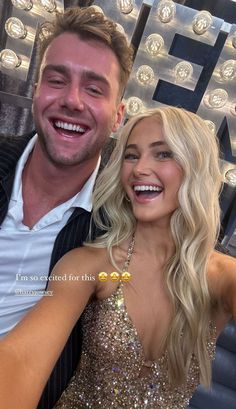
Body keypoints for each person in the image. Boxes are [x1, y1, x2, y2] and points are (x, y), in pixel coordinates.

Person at [0, 106, 236, 409]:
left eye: (163, 154)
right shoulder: (91, 265)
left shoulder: (223, 276)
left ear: (195, 166)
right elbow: (21, 360)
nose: (139, 169)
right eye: (131, 155)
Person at [0, 6, 133, 408]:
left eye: (94, 89)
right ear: (37, 90)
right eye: (57, 80)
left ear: (117, 117)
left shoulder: (125, 218)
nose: (72, 101)